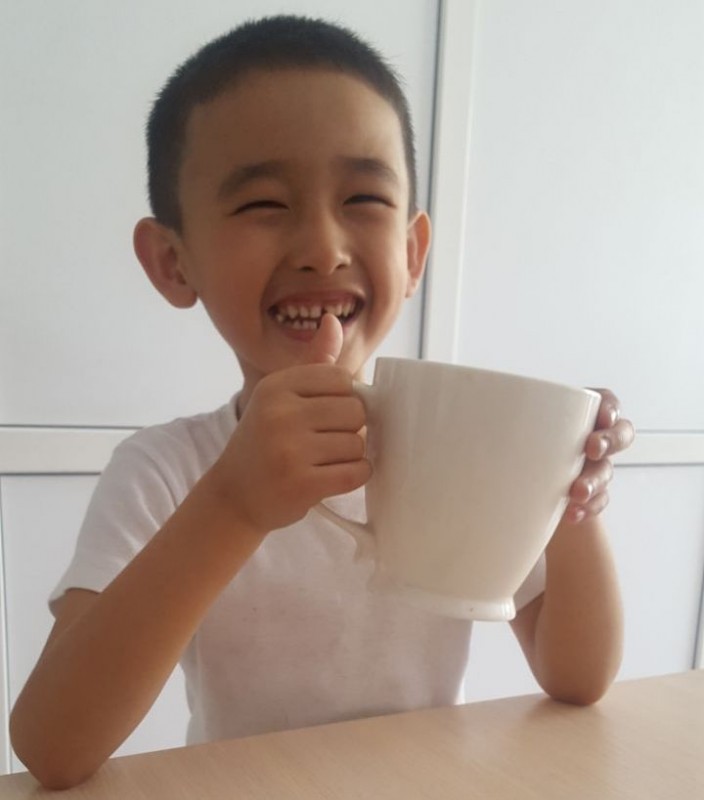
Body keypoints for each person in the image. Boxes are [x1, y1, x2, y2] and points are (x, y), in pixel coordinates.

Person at [9, 15, 634, 789]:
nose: (322, 248)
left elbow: (578, 676)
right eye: (263, 204)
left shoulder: (465, 455)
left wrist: (569, 491)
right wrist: (233, 505)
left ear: (412, 254)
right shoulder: (166, 470)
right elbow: (52, 745)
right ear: (173, 261)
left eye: (363, 197)